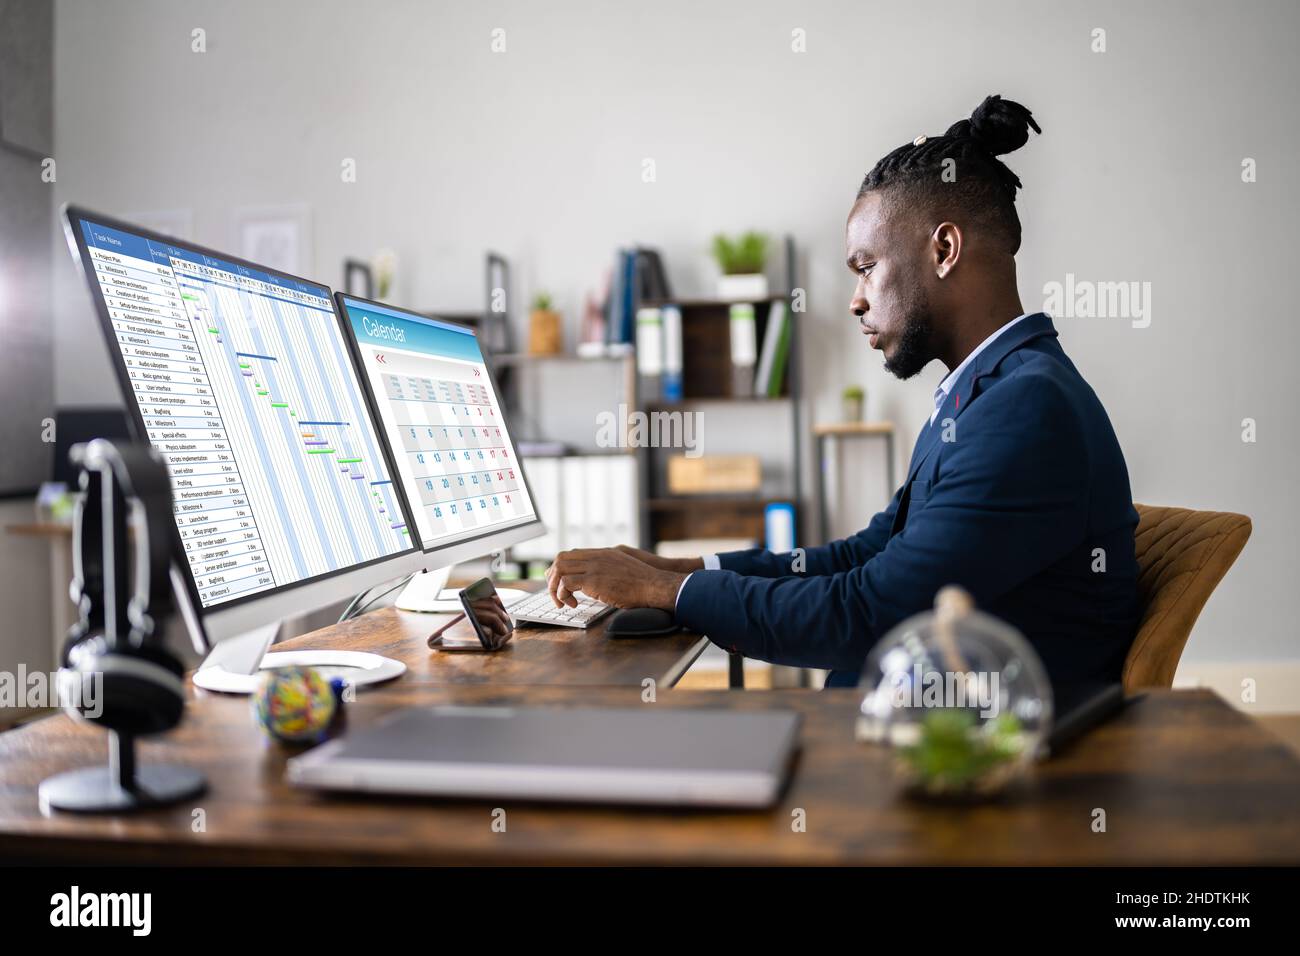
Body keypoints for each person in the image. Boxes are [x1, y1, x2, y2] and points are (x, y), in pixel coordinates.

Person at [546, 94, 1140, 688]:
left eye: (865, 267)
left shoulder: (1027, 407)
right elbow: (864, 556)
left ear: (944, 250)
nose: (855, 299)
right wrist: (677, 568)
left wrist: (665, 591)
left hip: (972, 761)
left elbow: (869, 613)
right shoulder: (987, 393)